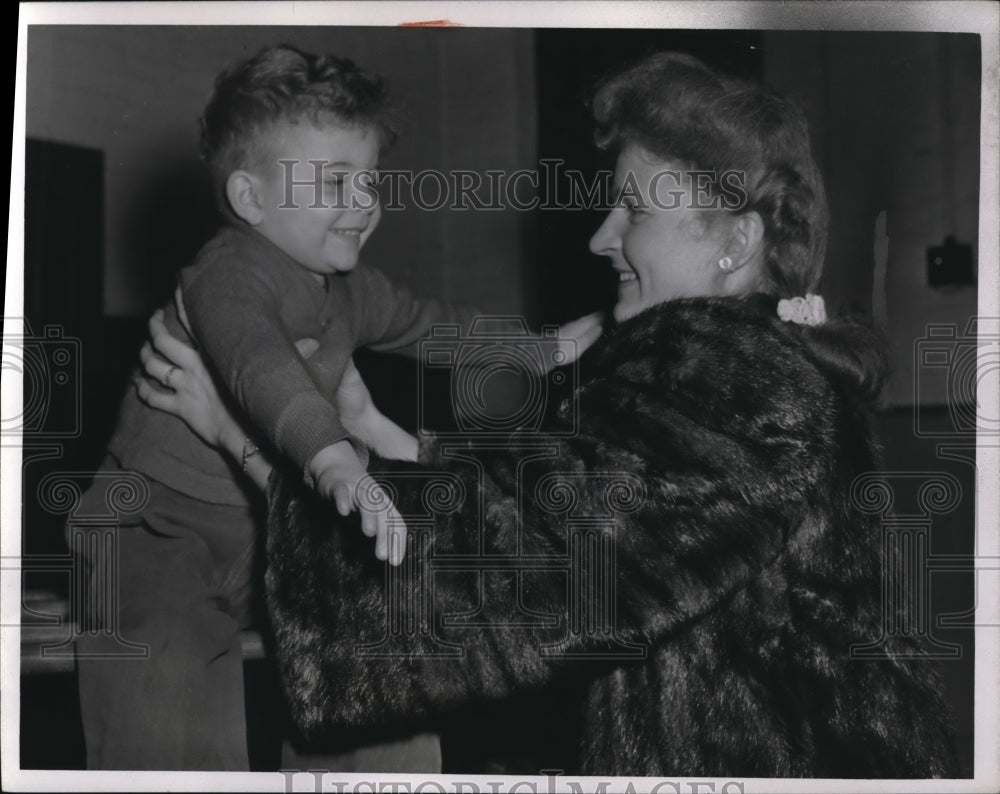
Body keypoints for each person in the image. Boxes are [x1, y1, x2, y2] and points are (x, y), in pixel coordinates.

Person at [137, 52, 960, 777]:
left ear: (733, 242)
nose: (602, 238)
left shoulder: (740, 393)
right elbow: (544, 504)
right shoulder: (721, 377)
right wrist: (387, 439)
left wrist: (244, 439)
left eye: (634, 211)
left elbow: (524, 573)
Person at [74, 44, 599, 771]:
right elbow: (263, 367)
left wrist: (538, 351)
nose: (364, 203)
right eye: (334, 181)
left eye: (370, 180)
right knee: (164, 674)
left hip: (270, 534)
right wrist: (333, 463)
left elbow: (431, 323)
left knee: (378, 661)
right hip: (158, 529)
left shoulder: (349, 288)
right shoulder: (226, 276)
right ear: (251, 200)